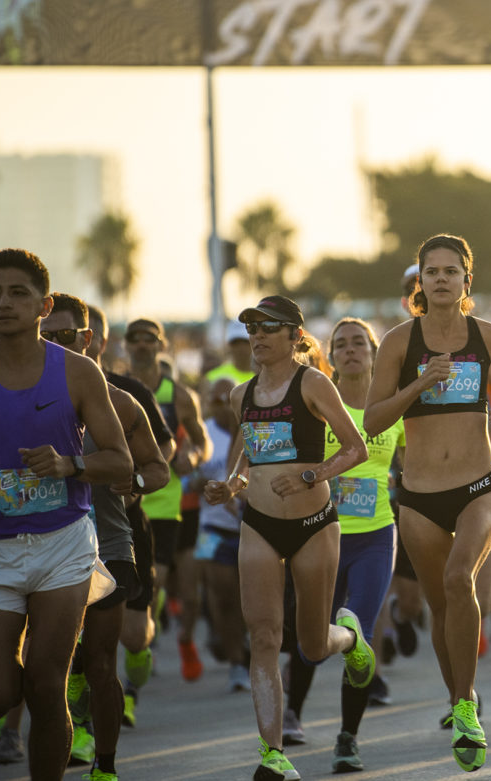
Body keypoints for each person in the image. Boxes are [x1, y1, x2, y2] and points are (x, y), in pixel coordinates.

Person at [365, 234, 491, 773]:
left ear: (466, 281)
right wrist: (420, 385)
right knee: (440, 606)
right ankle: (459, 696)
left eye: (450, 271)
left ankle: (465, 707)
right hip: (418, 496)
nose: (440, 278)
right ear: (420, 281)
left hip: (480, 486)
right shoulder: (397, 342)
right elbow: (373, 421)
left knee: (462, 581)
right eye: (430, 271)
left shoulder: (489, 336)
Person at [0, 248, 133, 781]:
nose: (3, 303)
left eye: (18, 293)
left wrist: (69, 464)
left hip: (63, 544)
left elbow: (120, 461)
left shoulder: (79, 373)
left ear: (44, 306)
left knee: (46, 685)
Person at [203, 295, 374, 781]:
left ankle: (351, 638)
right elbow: (246, 454)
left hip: (313, 524)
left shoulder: (313, 383)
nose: (256, 337)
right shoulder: (241, 394)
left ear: (295, 337)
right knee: (263, 636)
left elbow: (355, 448)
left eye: (267, 328)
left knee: (313, 645)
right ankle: (273, 754)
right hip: (259, 524)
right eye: (251, 329)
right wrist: (230, 484)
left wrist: (311, 475)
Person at [42, 292, 171, 780]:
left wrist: (133, 482)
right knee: (49, 666)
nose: (56, 345)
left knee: (100, 660)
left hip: (109, 546)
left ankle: (106, 765)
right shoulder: (17, 397)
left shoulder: (120, 401)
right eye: (47, 336)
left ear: (88, 338)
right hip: (42, 546)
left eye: (66, 336)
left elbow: (158, 467)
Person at [281, 317, 406, 773]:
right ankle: (292, 712)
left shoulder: (390, 408)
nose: (351, 350)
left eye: (360, 343)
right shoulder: (318, 401)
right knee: (310, 636)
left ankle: (347, 738)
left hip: (375, 536)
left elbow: (416, 463)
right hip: (320, 534)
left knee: (361, 638)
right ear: (329, 356)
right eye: (342, 345)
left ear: (374, 353)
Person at [124, 317, 211, 683]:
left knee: (171, 586)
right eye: (135, 339)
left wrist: (190, 459)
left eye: (149, 340)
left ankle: (169, 641)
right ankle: (141, 641)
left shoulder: (179, 395)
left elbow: (201, 442)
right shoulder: (112, 388)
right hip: (126, 499)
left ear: (161, 346)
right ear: (125, 345)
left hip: (167, 503)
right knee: (143, 585)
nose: (142, 345)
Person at [191, 377, 251, 692]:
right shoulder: (204, 433)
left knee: (248, 598)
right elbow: (188, 473)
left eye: (227, 401)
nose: (222, 407)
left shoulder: (254, 428)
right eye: (215, 401)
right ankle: (237, 663)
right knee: (221, 594)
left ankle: (247, 642)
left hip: (251, 526)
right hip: (212, 528)